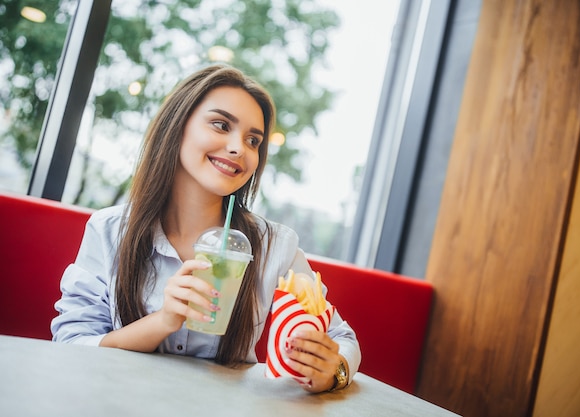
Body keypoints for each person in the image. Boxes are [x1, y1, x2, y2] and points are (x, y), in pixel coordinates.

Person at [51, 64, 360, 393]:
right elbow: (72, 342)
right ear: (178, 126)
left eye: (253, 140)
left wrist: (332, 371)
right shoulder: (111, 230)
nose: (239, 147)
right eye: (221, 124)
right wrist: (164, 320)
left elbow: (342, 339)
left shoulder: (273, 246)